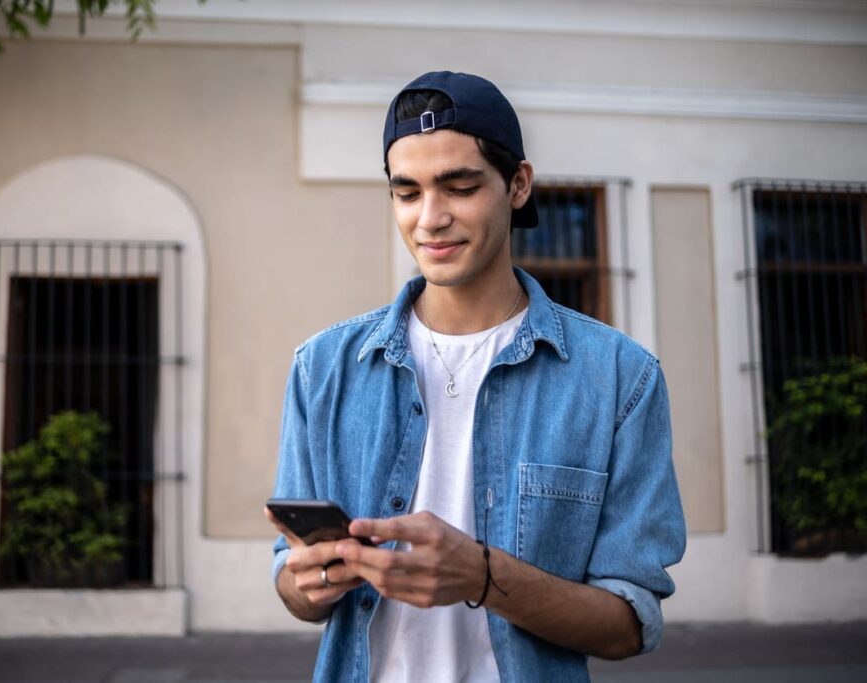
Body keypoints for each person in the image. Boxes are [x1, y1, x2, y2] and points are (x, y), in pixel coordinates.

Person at [266, 70, 686, 682]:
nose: (430, 219)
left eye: (459, 187)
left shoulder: (621, 378)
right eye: (407, 193)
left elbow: (627, 625)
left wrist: (483, 576)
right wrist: (311, 581)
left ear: (518, 185)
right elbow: (293, 588)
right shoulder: (323, 368)